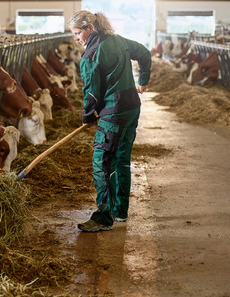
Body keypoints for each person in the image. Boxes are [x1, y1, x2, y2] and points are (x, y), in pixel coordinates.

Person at [68, 10, 151, 232]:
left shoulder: (91, 55)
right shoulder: (118, 40)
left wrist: (87, 116)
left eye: (78, 33)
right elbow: (144, 53)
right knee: (121, 159)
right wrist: (142, 80)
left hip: (114, 114)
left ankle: (104, 218)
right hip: (132, 107)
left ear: (90, 29)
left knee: (102, 163)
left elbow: (92, 94)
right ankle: (120, 211)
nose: (76, 38)